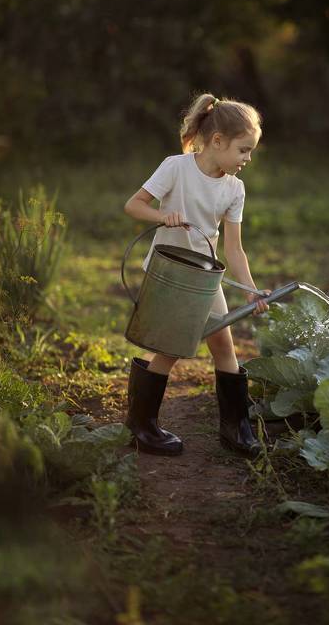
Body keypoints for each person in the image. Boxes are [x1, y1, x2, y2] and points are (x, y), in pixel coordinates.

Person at [123, 92, 270, 458]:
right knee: (172, 348)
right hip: (170, 272)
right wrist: (163, 217)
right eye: (243, 150)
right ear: (217, 141)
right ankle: (142, 426)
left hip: (205, 276)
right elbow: (133, 206)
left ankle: (236, 428)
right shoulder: (176, 168)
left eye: (251, 151)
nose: (248, 159)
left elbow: (234, 250)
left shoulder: (234, 188)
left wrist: (251, 290)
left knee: (223, 345)